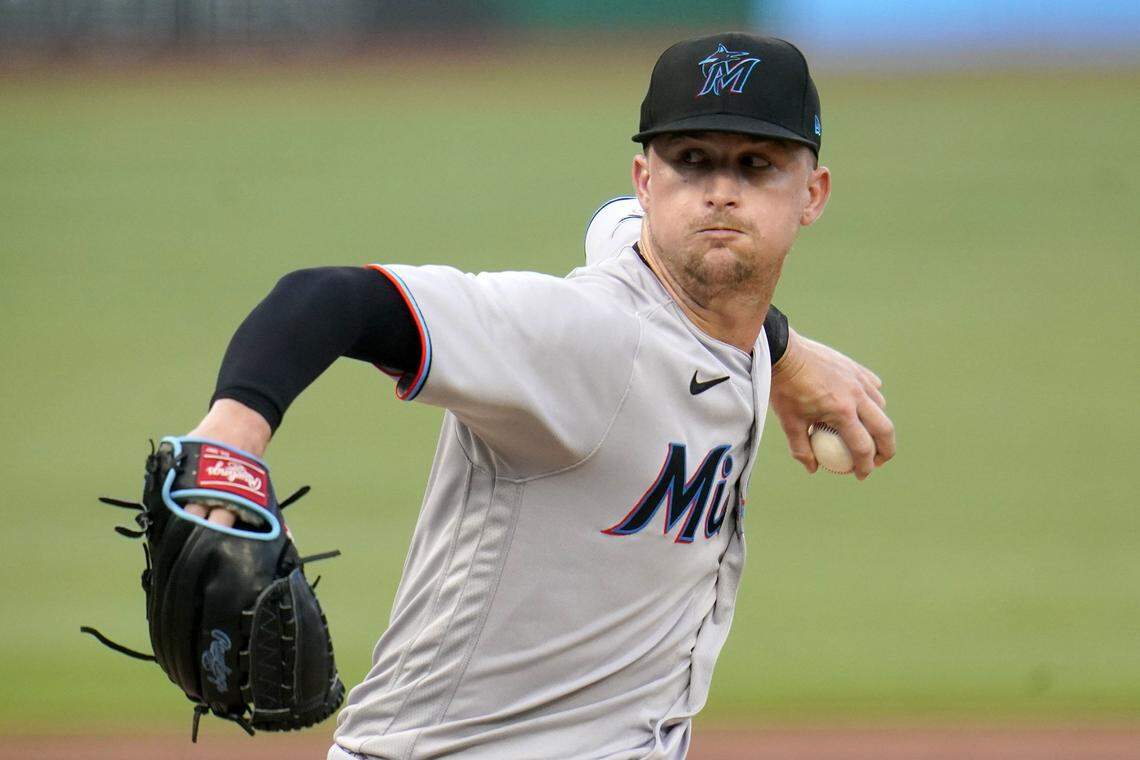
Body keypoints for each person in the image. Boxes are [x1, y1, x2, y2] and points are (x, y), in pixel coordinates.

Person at [182, 31, 894, 759]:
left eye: (755, 165)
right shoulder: (585, 339)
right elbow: (329, 298)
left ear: (813, 194)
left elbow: (618, 230)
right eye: (691, 161)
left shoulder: (711, 310)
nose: (719, 189)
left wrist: (785, 349)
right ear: (647, 182)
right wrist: (234, 431)